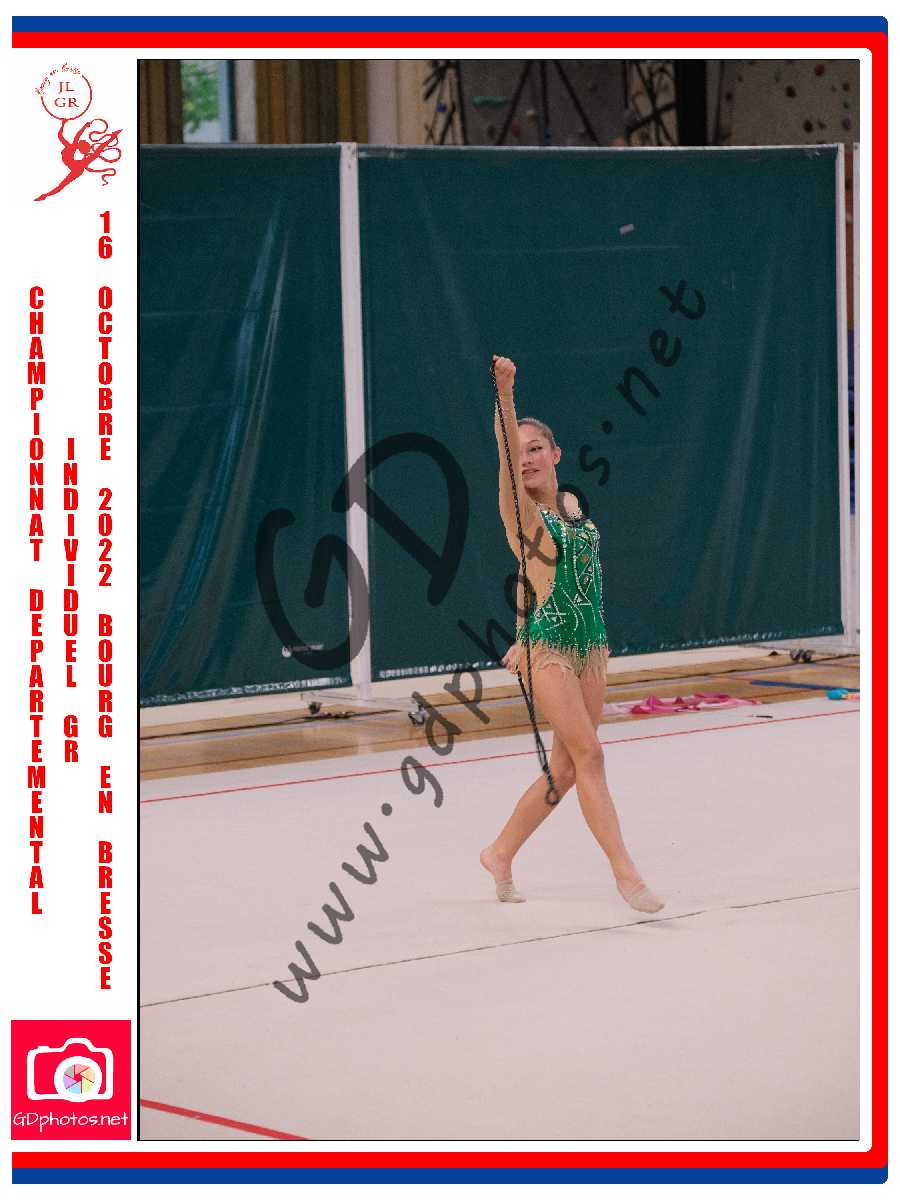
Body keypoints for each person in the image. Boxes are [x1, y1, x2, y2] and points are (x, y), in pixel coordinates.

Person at [479, 354, 665, 914]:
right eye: (520, 451)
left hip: (592, 647)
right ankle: (627, 875)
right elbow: (526, 547)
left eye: (537, 448)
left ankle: (499, 852)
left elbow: (532, 576)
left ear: (556, 454)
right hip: (551, 650)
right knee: (591, 755)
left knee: (562, 770)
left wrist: (518, 624)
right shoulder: (520, 512)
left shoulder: (571, 506)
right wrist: (506, 394)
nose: (527, 458)